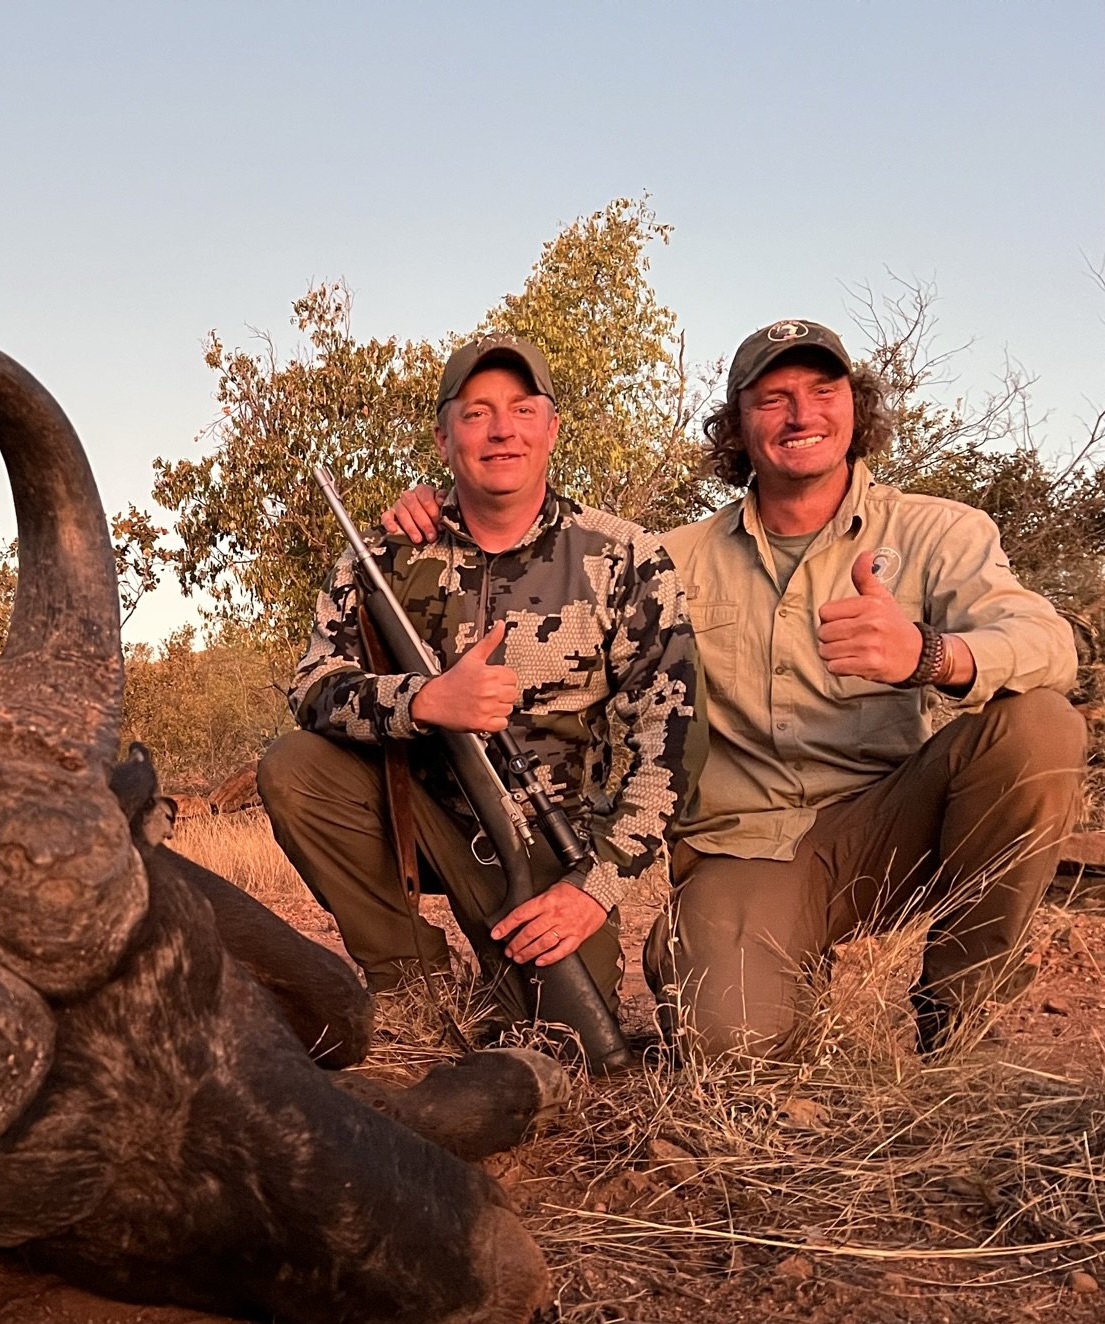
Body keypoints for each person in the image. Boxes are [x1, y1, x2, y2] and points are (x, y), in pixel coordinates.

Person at [385, 319, 1084, 1057]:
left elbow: (1049, 647)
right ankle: (756, 966)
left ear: (856, 407)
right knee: (732, 1044)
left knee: (1040, 726)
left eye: (823, 391)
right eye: (773, 398)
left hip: (895, 825)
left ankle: (959, 1019)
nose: (802, 415)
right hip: (743, 852)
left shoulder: (941, 532)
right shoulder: (669, 556)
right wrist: (446, 516)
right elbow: (554, 573)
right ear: (738, 425)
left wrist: (929, 653)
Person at [259, 334, 698, 1029]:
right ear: (443, 438)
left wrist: (594, 887)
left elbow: (668, 741)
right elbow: (312, 687)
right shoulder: (383, 553)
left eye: (523, 410)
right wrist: (423, 702)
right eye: (476, 413)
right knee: (294, 769)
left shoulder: (626, 555)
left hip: (553, 847)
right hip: (415, 818)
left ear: (552, 428)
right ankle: (413, 981)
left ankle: (510, 978)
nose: (501, 431)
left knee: (569, 1040)